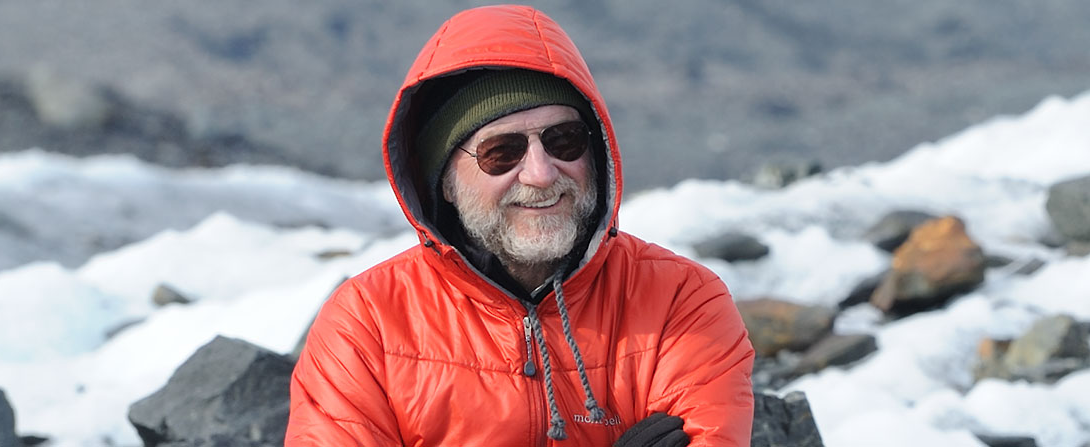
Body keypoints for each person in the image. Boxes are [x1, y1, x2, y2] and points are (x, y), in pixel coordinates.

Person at [286, 5, 754, 446]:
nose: (541, 173)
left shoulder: (681, 301)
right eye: (501, 152)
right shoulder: (366, 325)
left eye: (564, 140)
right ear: (446, 182)